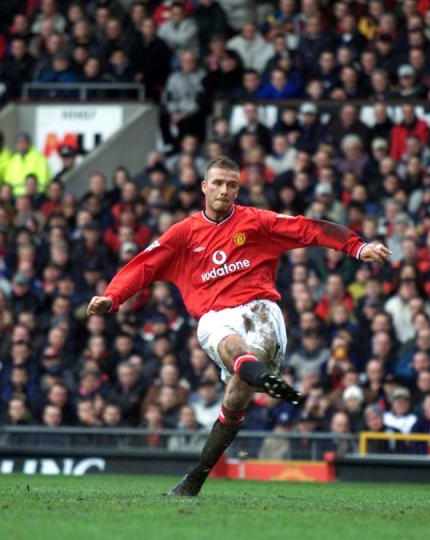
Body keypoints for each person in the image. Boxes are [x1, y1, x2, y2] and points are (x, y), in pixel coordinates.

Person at [87, 156, 391, 496]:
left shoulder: (257, 223)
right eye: (217, 183)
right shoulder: (184, 234)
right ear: (204, 186)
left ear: (238, 189)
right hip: (215, 315)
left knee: (236, 393)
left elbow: (310, 228)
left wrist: (357, 246)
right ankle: (200, 471)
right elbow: (143, 266)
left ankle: (249, 382)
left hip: (261, 310)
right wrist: (112, 298)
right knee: (232, 359)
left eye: (232, 185)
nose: (224, 190)